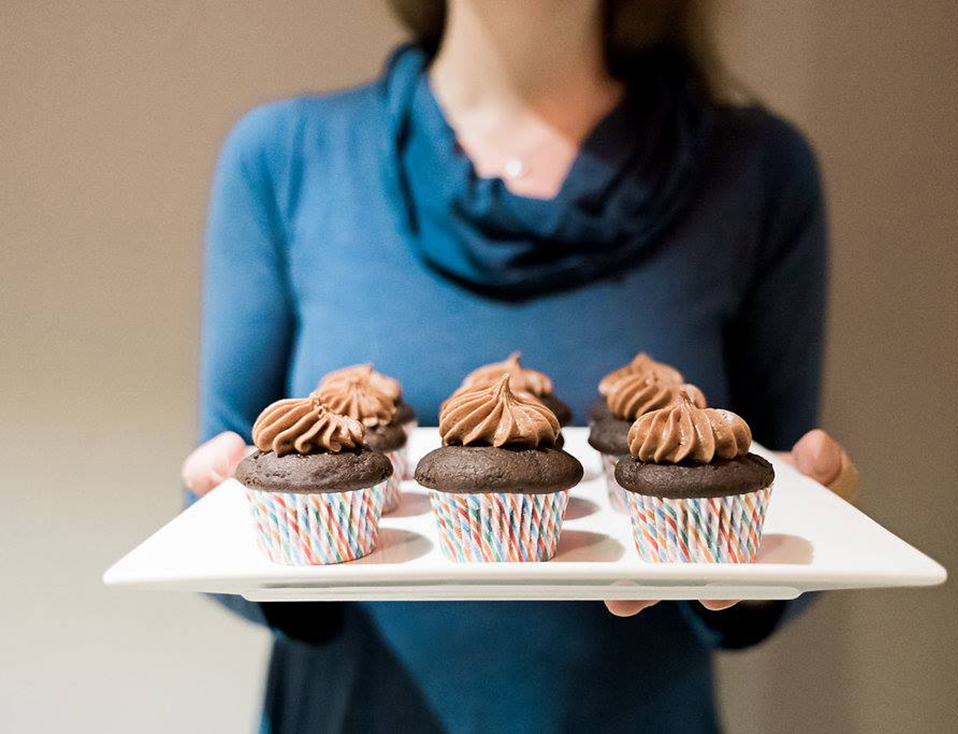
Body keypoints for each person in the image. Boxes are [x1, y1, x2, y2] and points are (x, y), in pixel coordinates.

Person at [182, 0, 859, 730]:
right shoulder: (285, 156)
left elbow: (770, 496)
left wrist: (778, 557)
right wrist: (248, 529)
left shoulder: (757, 171)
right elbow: (222, 514)